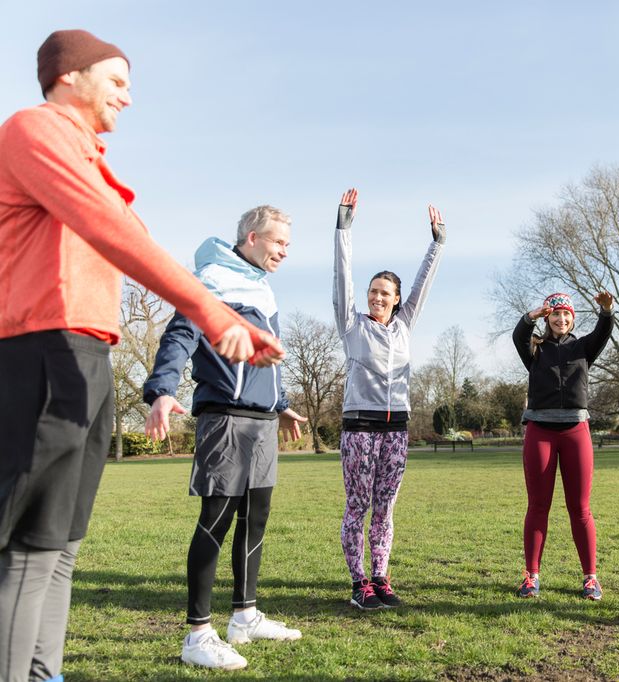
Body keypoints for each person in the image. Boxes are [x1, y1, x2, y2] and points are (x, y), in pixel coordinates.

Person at [0, 29, 282, 682]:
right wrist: (213, 313)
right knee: (28, 549)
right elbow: (116, 231)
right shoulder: (34, 131)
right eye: (118, 80)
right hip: (42, 351)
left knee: (63, 543)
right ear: (69, 76)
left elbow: (132, 238)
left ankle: (47, 673)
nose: (129, 96)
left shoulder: (90, 157)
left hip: (87, 357)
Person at [143, 206, 308, 670]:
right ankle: (198, 635)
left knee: (255, 518)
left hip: (261, 422)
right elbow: (179, 337)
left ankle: (245, 617)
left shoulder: (261, 286)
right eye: (279, 243)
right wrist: (160, 391)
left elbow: (261, 358)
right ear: (252, 237)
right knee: (216, 519)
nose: (284, 251)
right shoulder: (212, 277)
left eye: (288, 245)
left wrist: (280, 401)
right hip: (225, 421)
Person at [333, 188, 445, 610]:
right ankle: (358, 581)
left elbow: (423, 283)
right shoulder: (351, 325)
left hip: (396, 429)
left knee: (385, 509)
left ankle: (381, 576)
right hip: (359, 428)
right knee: (358, 504)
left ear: (397, 300)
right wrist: (343, 228)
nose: (378, 297)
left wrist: (437, 243)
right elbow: (341, 278)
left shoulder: (405, 325)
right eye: (373, 291)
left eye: (386, 293)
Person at [511, 290, 614, 600]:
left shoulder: (583, 347)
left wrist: (607, 311)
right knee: (538, 505)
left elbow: (603, 331)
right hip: (540, 431)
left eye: (566, 314)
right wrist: (532, 316)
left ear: (572, 318)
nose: (560, 319)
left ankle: (591, 578)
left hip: (575, 431)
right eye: (555, 314)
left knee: (580, 508)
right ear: (548, 317)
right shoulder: (535, 349)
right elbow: (519, 335)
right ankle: (531, 577)